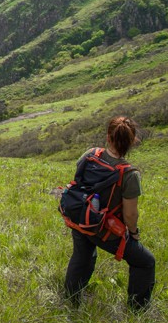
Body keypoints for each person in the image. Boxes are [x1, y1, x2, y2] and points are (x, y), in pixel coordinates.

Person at [64, 116, 156, 311]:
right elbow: (130, 214)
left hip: (81, 217)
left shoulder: (90, 154)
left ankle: (71, 300)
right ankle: (137, 310)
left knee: (82, 255)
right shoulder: (129, 175)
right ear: (132, 142)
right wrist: (134, 233)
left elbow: (79, 180)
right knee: (145, 262)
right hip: (105, 228)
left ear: (108, 137)